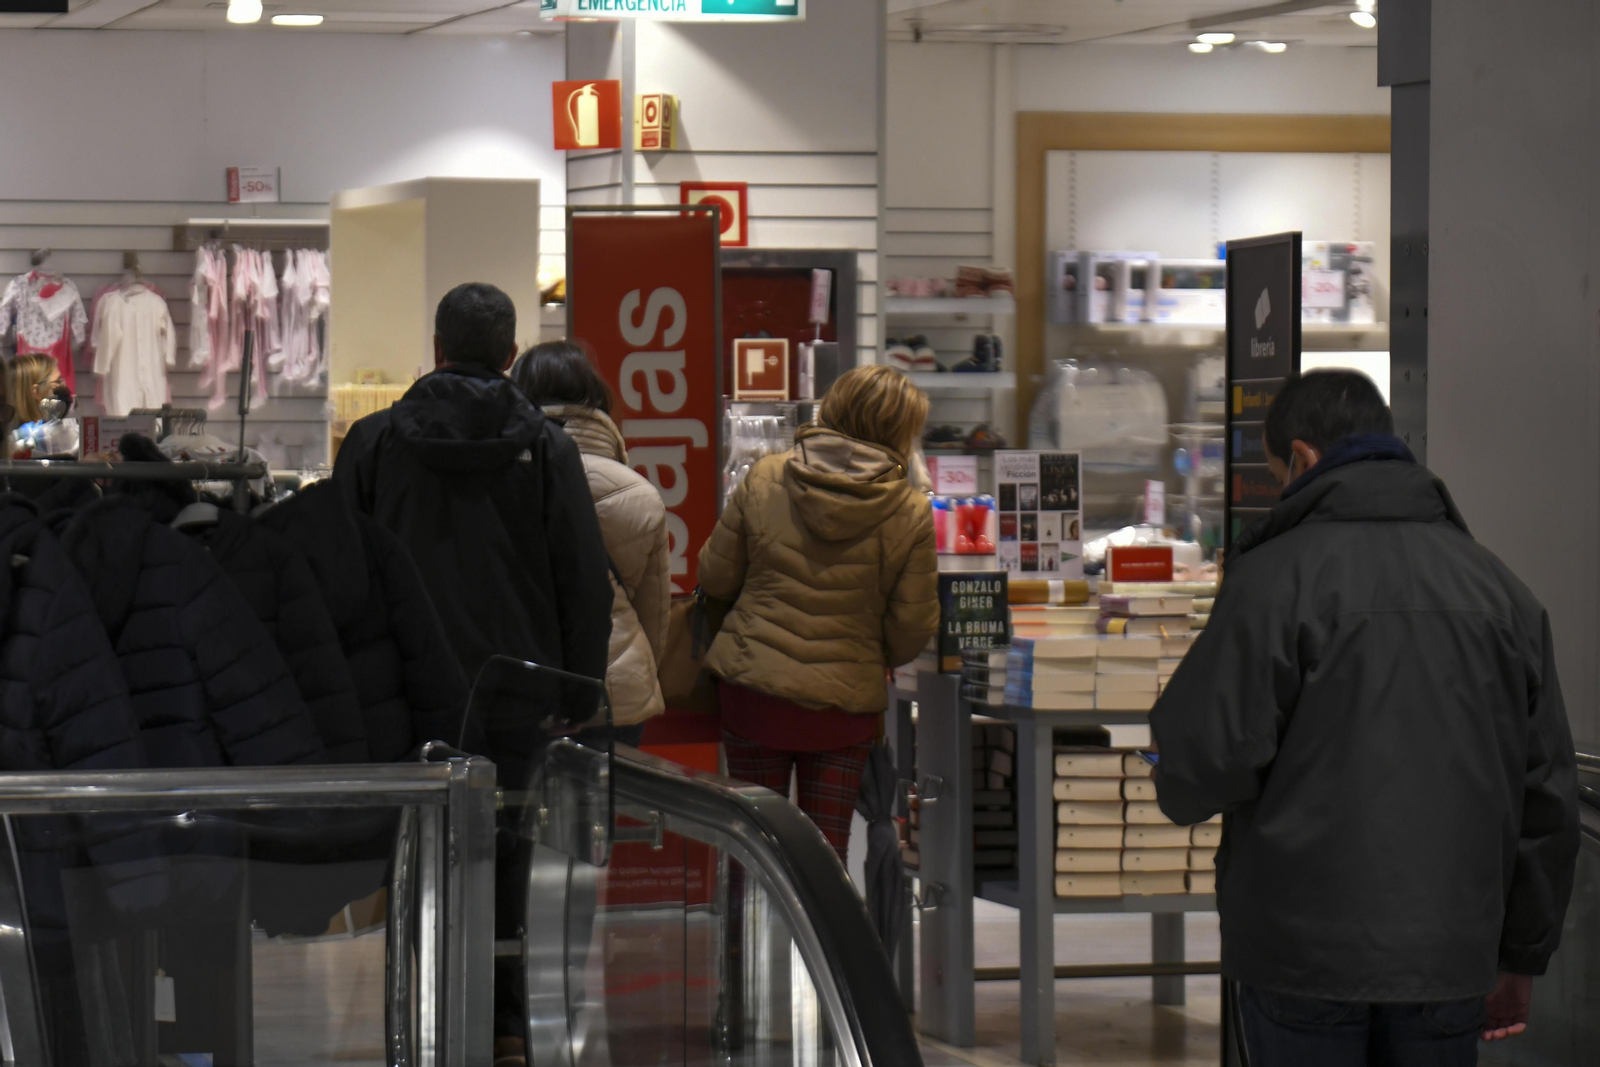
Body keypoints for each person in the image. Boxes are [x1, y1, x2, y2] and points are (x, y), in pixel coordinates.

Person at [1150, 370, 1579, 1066]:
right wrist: (1522, 952)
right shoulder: (1500, 590)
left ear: (1303, 457)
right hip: (1450, 954)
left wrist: (1175, 774)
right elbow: (1549, 794)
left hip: (1300, 953)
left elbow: (1204, 760)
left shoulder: (1272, 582)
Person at [332, 283, 612, 754]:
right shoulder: (550, 449)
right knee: (509, 824)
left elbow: (341, 571)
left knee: (410, 826)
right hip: (519, 690)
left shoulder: (370, 442)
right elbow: (582, 579)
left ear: (438, 348)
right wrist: (580, 692)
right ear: (510, 355)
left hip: (401, 691)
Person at [698, 364, 940, 861]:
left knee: (751, 850)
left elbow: (715, 577)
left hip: (754, 693)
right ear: (900, 432)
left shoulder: (766, 476)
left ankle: (747, 941)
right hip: (842, 711)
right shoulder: (910, 512)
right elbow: (910, 630)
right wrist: (861, 646)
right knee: (824, 860)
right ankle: (818, 943)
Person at [510, 340, 670, 746]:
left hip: (520, 679)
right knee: (601, 809)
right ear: (597, 399)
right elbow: (653, 615)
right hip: (616, 691)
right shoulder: (640, 494)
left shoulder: (500, 482)